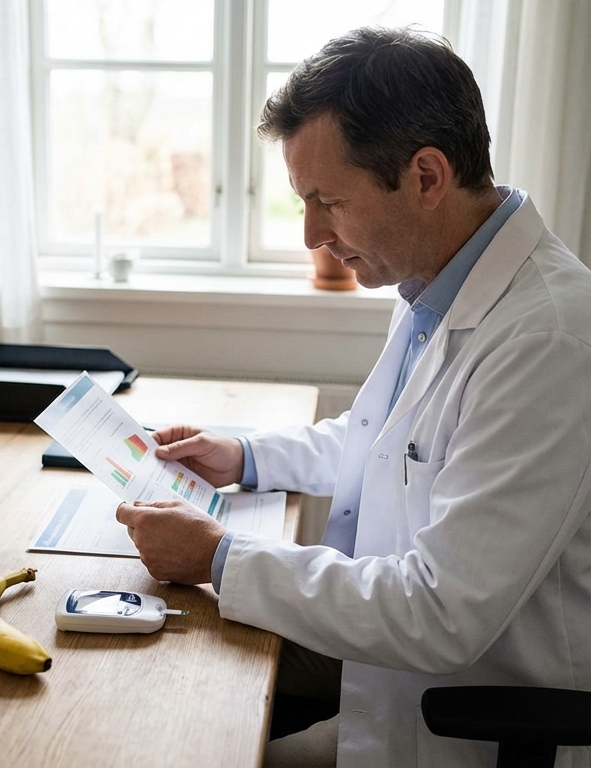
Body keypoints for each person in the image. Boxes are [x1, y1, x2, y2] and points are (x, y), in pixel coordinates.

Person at [115, 27, 591, 767]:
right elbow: (386, 439)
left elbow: (441, 612)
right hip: (384, 662)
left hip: (460, 721)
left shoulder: (549, 340)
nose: (312, 234)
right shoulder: (438, 275)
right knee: (162, 672)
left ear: (426, 177)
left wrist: (220, 558)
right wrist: (244, 456)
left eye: (328, 201)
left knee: (179, 731)